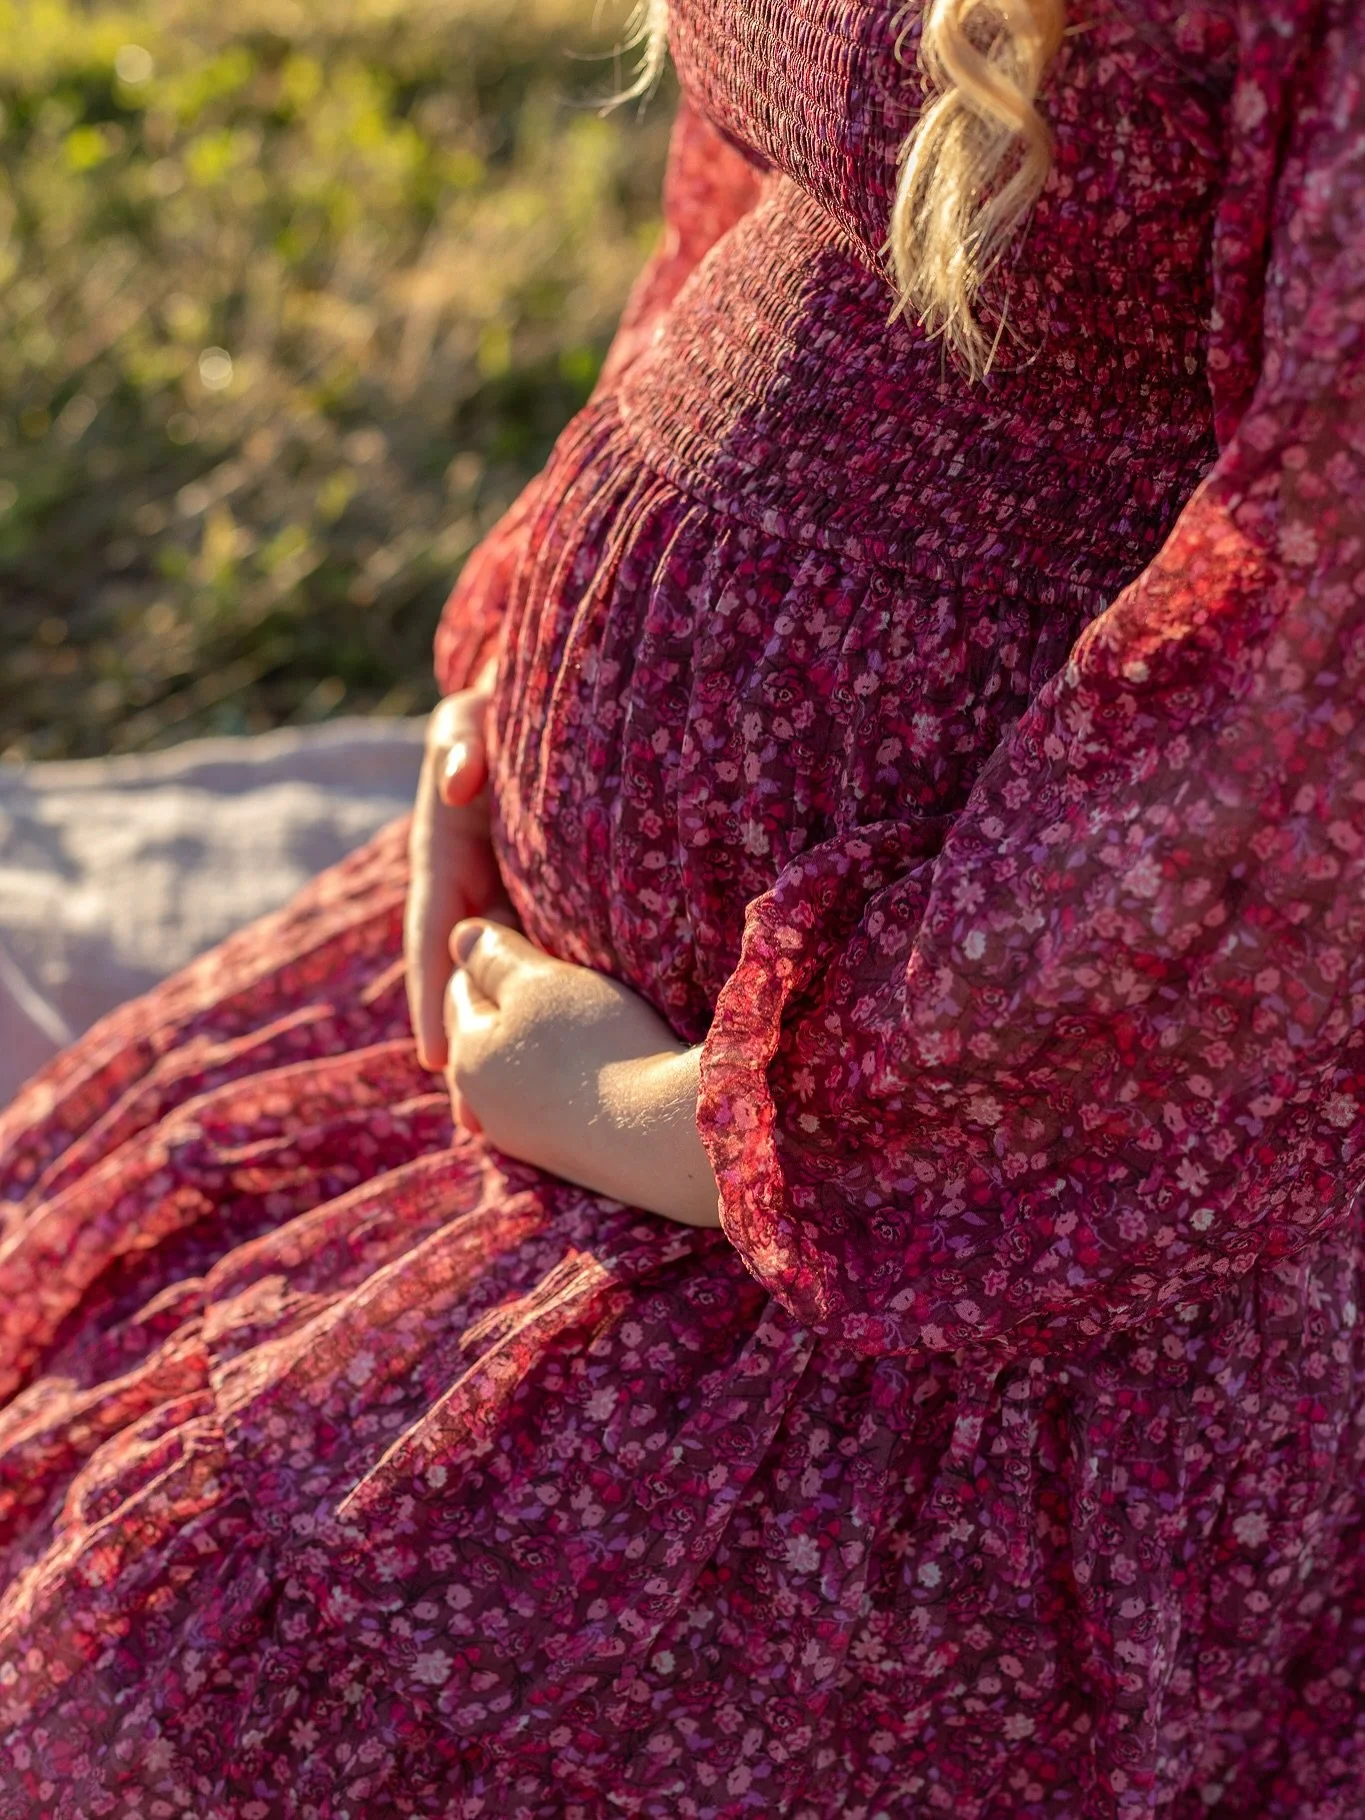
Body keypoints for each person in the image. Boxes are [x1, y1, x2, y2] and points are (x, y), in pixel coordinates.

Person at [2, 0, 1363, 1812]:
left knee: (117, 1738)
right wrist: (495, 696)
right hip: (578, 1038)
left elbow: (1320, 708)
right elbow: (763, 198)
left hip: (996, 1210)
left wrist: (687, 1126)